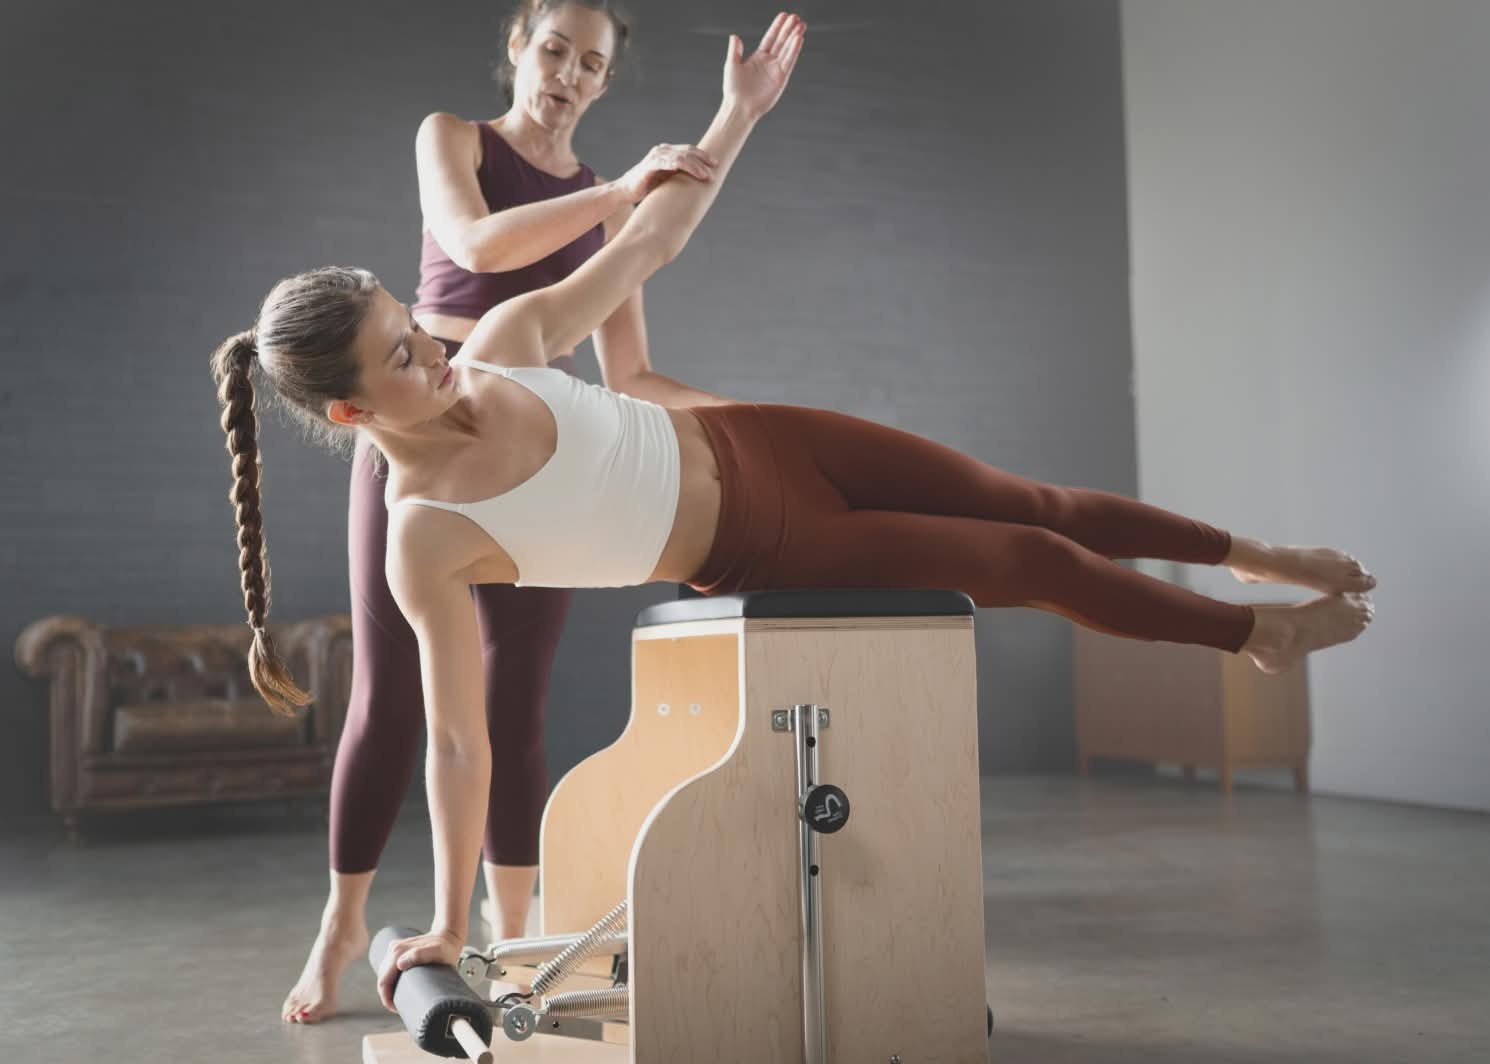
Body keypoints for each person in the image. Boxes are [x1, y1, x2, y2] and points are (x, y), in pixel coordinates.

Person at [209, 12, 1372, 1012]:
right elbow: (456, 741)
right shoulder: (424, 533)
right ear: (356, 413)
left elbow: (650, 238)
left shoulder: (503, 343)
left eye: (416, 326)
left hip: (765, 437)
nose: (436, 349)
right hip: (761, 541)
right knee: (1023, 555)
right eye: (403, 360)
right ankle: (1251, 637)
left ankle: (1253, 554)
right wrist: (452, 926)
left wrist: (739, 113)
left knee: (1035, 496)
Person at [281, 0, 727, 1024]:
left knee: (514, 701)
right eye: (553, 49)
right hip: (419, 441)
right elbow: (475, 246)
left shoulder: (606, 206)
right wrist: (617, 189)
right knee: (387, 696)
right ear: (518, 49)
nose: (567, 73)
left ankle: (508, 926)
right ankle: (341, 923)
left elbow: (631, 372)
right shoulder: (454, 139)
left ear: (606, 82)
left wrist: (749, 423)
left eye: (591, 62)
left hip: (537, 458)